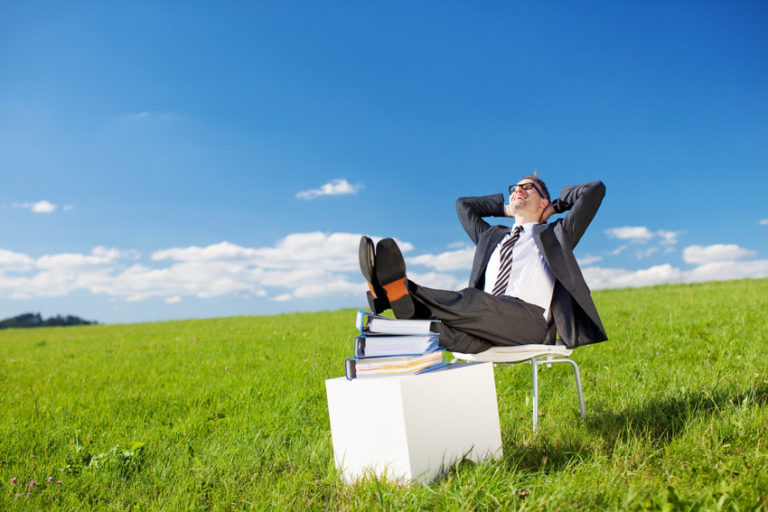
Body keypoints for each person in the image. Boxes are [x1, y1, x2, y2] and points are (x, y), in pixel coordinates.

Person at [359, 173, 608, 354]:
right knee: (439, 331)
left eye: (528, 188)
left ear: (543, 202)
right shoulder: (490, 237)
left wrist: (554, 207)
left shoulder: (557, 234)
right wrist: (508, 208)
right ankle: (390, 301)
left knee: (474, 298)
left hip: (530, 323)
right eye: (515, 187)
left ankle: (396, 292)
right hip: (486, 323)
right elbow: (463, 206)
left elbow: (594, 189)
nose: (518, 189)